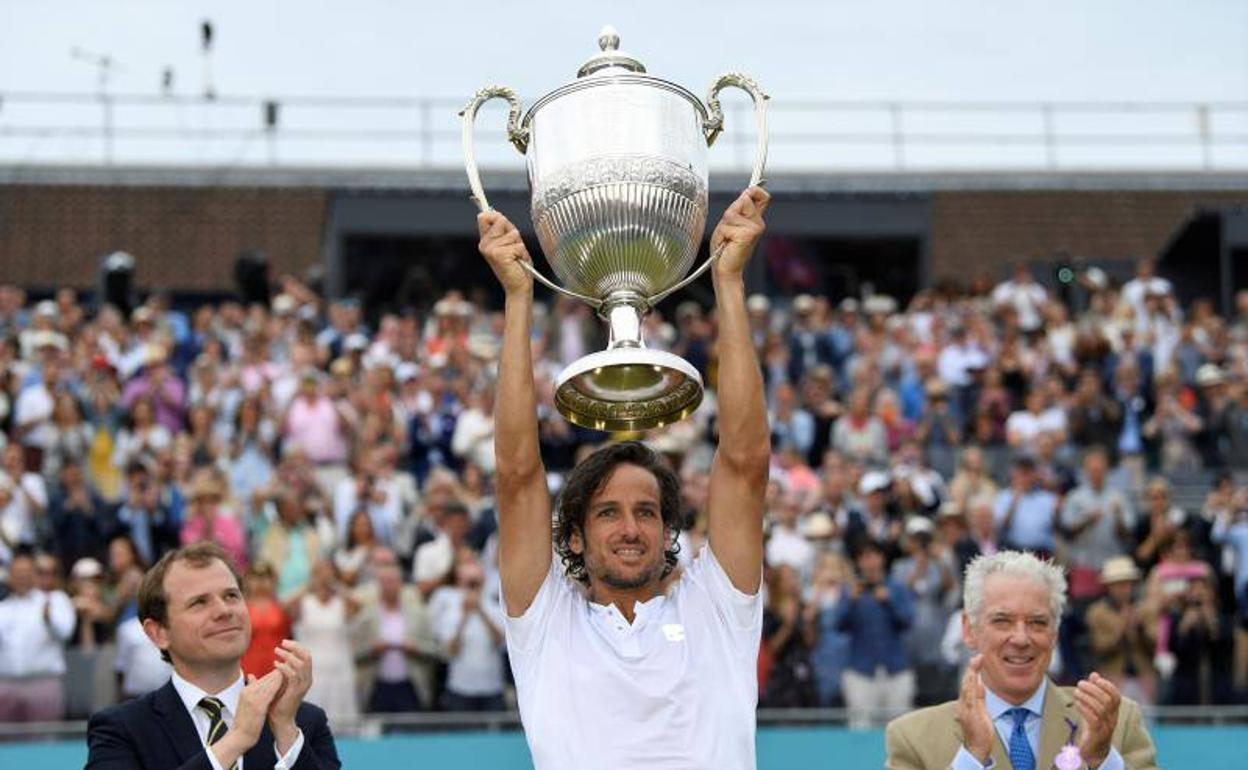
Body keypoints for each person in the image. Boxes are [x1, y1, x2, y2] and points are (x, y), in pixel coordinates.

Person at [475, 186, 770, 769]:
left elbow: (744, 460)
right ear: (576, 536)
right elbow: (515, 476)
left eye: (646, 511)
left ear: (668, 531)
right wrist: (517, 298)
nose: (630, 528)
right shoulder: (546, 624)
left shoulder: (716, 607)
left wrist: (729, 283)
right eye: (607, 512)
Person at [885, 550, 1158, 770]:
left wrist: (1102, 761)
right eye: (1002, 621)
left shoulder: (1115, 722)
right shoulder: (914, 738)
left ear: (1054, 634)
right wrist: (972, 758)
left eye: (1037, 622)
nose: (1021, 638)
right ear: (969, 630)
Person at [85, 542, 340, 770]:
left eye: (231, 595)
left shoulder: (302, 723)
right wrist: (235, 740)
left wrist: (285, 732)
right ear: (159, 633)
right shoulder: (122, 729)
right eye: (199, 602)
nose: (223, 611)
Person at [0, 549, 76, 721]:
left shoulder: (55, 600)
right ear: (9, 576)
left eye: (26, 572)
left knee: (45, 740)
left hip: (43, 683)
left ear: (34, 574)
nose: (22, 577)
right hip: (5, 685)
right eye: (17, 573)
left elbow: (66, 633)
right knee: (4, 742)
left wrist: (49, 618)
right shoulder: (2, 608)